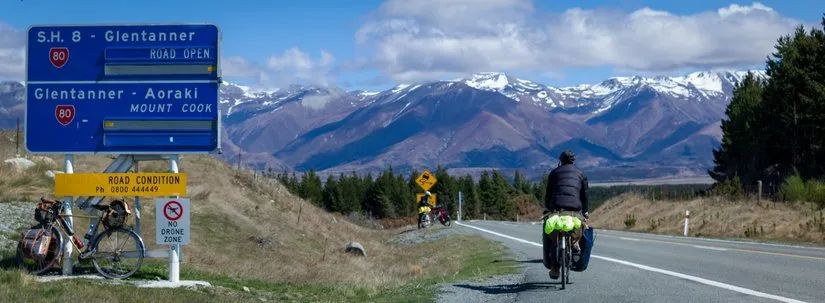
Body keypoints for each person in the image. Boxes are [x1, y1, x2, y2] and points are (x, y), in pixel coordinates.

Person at [542, 150, 589, 279]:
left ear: (560, 160)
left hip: (557, 208)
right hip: (575, 209)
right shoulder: (581, 174)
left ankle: (554, 268)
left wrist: (547, 208)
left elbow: (548, 194)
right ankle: (575, 242)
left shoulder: (554, 173)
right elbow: (584, 196)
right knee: (583, 227)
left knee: (552, 237)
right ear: (574, 161)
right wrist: (585, 211)